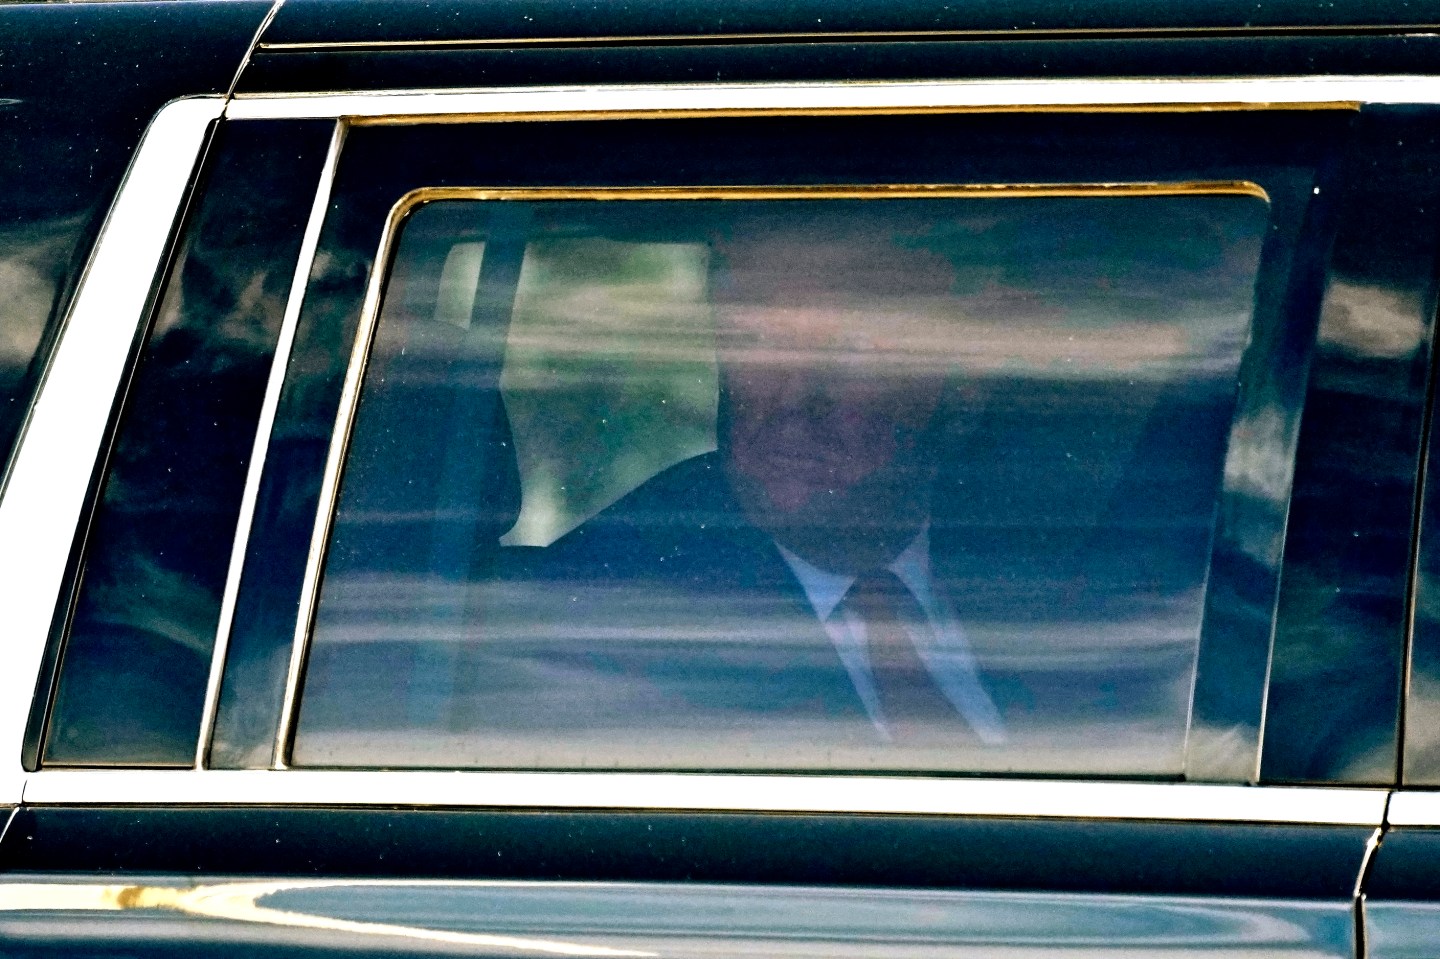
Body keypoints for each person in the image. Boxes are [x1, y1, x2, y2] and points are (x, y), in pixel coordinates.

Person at [484, 208, 1007, 766]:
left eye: (851, 348)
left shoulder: (1053, 560)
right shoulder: (605, 617)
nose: (793, 404)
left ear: (962, 380)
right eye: (757, 343)